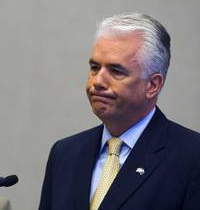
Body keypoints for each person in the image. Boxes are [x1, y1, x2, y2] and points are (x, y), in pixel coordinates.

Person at [39, 13, 200, 210]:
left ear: (152, 85)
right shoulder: (65, 154)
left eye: (116, 71)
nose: (98, 81)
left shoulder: (191, 157)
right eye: (94, 67)